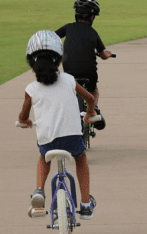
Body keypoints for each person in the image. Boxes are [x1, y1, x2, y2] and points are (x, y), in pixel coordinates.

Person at [17, 30, 98, 219]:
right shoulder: (69, 80)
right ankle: (85, 204)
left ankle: (39, 192)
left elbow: (23, 115)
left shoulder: (31, 89)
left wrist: (24, 121)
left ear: (32, 62)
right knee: (81, 159)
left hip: (48, 140)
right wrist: (90, 112)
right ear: (58, 59)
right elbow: (90, 98)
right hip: (72, 139)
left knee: (43, 157)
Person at [55, 0, 113, 110]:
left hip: (69, 71)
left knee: (70, 87)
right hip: (89, 73)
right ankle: (94, 110)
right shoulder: (93, 33)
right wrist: (108, 54)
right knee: (93, 90)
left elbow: (52, 36)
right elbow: (103, 55)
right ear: (92, 17)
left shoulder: (68, 27)